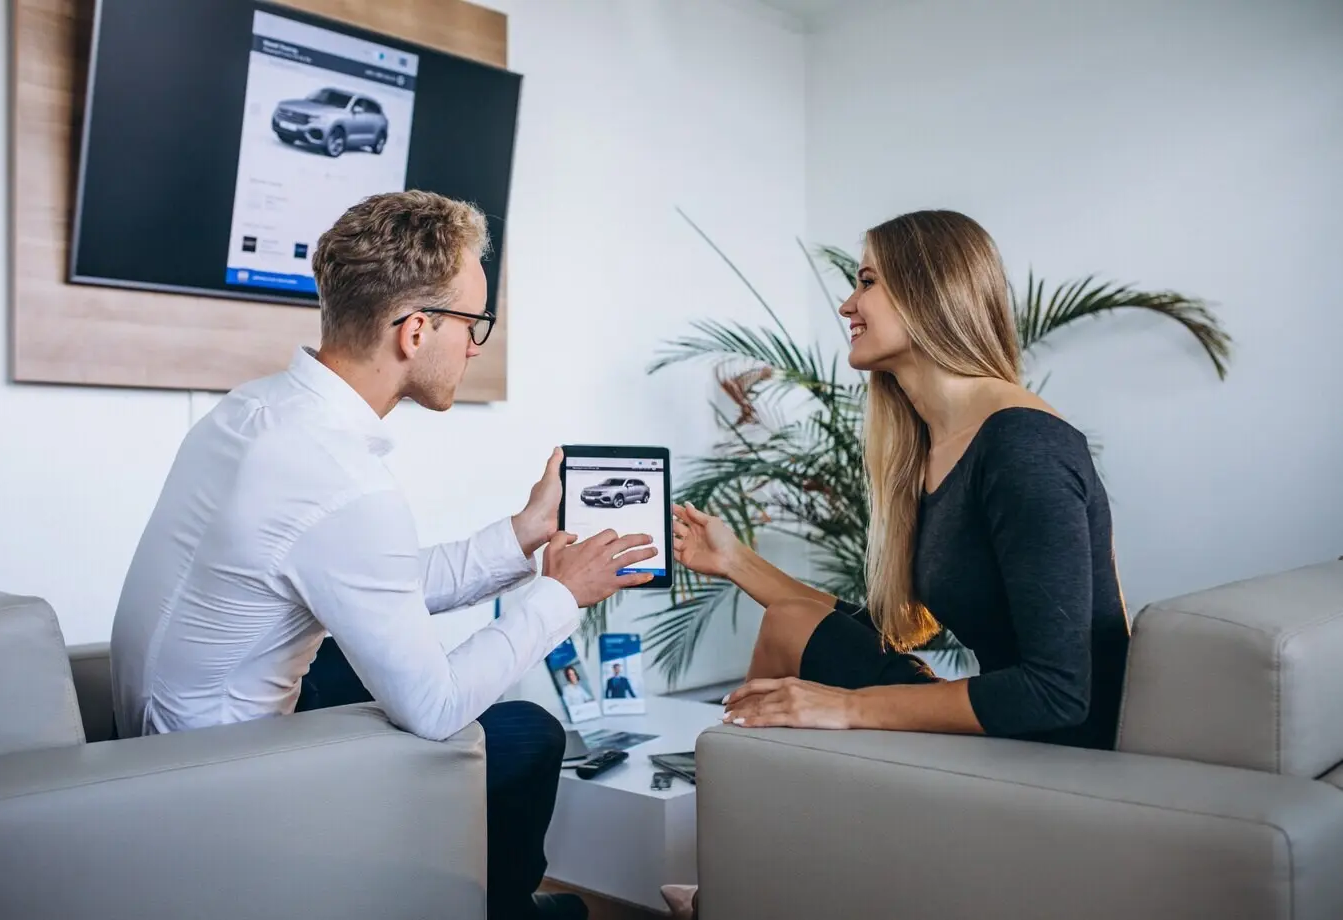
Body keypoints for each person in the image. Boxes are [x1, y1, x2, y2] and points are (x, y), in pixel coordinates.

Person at [110, 190, 656, 920]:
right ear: (416, 329)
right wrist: (560, 596)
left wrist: (524, 532)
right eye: (473, 324)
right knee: (524, 732)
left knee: (353, 659)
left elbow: (372, 581)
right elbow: (433, 709)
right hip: (223, 784)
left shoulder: (254, 410)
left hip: (165, 743)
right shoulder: (341, 478)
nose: (474, 345)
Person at [661, 208, 1131, 919]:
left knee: (805, 674)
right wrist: (735, 561)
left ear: (928, 290)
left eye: (868, 281)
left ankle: (739, 888)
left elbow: (1061, 693)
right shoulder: (934, 446)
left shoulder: (1022, 447)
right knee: (792, 623)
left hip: (1058, 746)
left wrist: (847, 707)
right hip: (1013, 716)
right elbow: (875, 626)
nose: (847, 303)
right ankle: (742, 878)